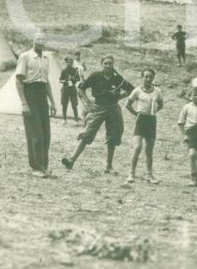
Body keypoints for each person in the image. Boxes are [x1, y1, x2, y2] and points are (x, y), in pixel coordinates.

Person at [61, 56, 134, 174]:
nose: (108, 66)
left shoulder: (117, 78)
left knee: (113, 136)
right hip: (98, 107)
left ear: (113, 64)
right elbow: (81, 88)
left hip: (113, 108)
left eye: (110, 63)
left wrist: (120, 96)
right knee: (87, 133)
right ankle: (71, 160)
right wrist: (88, 102)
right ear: (102, 64)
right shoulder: (95, 76)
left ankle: (108, 166)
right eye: (105, 63)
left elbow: (131, 89)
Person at [15, 35, 56, 178]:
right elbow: (19, 81)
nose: (40, 43)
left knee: (45, 133)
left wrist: (52, 102)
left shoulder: (46, 58)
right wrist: (24, 103)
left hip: (42, 95)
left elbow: (46, 82)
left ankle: (43, 166)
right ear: (33, 41)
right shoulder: (25, 57)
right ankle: (35, 167)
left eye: (43, 41)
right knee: (35, 133)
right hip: (30, 93)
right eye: (38, 40)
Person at [125, 68, 164, 184]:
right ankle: (131, 173)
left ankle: (149, 175)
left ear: (153, 78)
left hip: (151, 120)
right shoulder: (137, 90)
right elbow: (128, 104)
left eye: (150, 77)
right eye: (146, 76)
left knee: (149, 149)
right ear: (142, 77)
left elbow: (161, 104)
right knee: (137, 147)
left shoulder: (157, 91)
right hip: (141, 120)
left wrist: (154, 111)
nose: (148, 79)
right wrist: (136, 114)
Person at [59, 56, 84, 125]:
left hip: (72, 89)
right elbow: (60, 80)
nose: (70, 63)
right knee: (64, 104)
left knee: (74, 105)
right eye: (69, 62)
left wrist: (73, 80)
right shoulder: (64, 71)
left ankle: (76, 120)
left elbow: (78, 79)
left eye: (71, 62)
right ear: (66, 63)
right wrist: (66, 81)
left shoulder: (75, 70)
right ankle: (64, 119)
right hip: (65, 89)